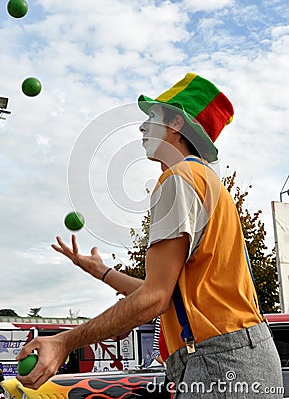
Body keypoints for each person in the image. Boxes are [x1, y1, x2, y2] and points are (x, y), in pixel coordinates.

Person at [16, 72, 283, 397]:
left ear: (175, 125)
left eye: (152, 118)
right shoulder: (207, 182)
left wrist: (63, 342)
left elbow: (154, 299)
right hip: (247, 357)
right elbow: (168, 294)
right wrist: (102, 272)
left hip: (220, 365)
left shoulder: (178, 179)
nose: (143, 127)